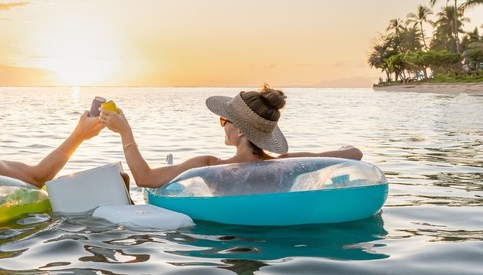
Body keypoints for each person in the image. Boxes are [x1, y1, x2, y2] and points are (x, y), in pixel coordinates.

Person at [100, 84, 363, 188]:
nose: (221, 125)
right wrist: (340, 148)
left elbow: (145, 179)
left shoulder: (210, 166)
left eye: (224, 120)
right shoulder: (286, 164)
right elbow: (355, 154)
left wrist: (125, 132)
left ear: (239, 129)